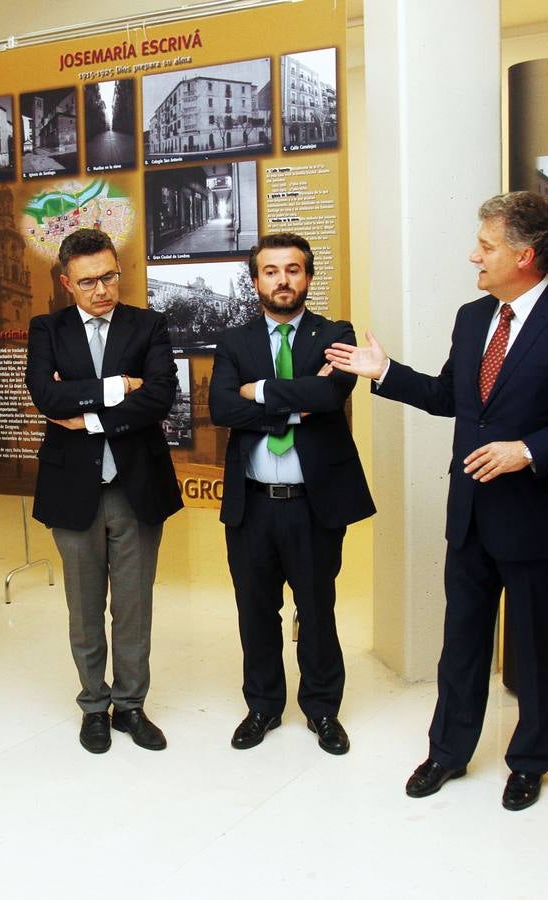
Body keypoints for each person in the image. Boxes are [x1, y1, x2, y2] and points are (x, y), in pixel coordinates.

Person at [325, 192, 548, 809]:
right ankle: (448, 751)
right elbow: (448, 396)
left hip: (540, 520)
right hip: (470, 517)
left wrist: (530, 450)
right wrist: (384, 372)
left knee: (538, 649)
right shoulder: (472, 317)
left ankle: (530, 761)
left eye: (485, 246)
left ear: (525, 254)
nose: (474, 256)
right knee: (461, 642)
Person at [209, 232, 374, 756]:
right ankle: (262, 706)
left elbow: (331, 394)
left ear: (308, 275)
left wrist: (255, 391)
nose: (283, 280)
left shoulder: (336, 332)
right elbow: (221, 410)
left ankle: (323, 710)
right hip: (252, 504)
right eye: (271, 270)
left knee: (317, 608)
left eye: (293, 269)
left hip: (313, 504)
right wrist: (299, 398)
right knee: (255, 611)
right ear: (255, 279)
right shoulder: (235, 341)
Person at [25, 227, 183, 754]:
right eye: (89, 281)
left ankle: (131, 706)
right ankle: (94, 705)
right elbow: (46, 395)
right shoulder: (47, 328)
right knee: (84, 606)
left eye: (110, 276)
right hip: (74, 489)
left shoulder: (149, 325)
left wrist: (89, 419)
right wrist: (119, 387)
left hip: (136, 485)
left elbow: (160, 397)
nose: (102, 291)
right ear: (66, 281)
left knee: (134, 606)